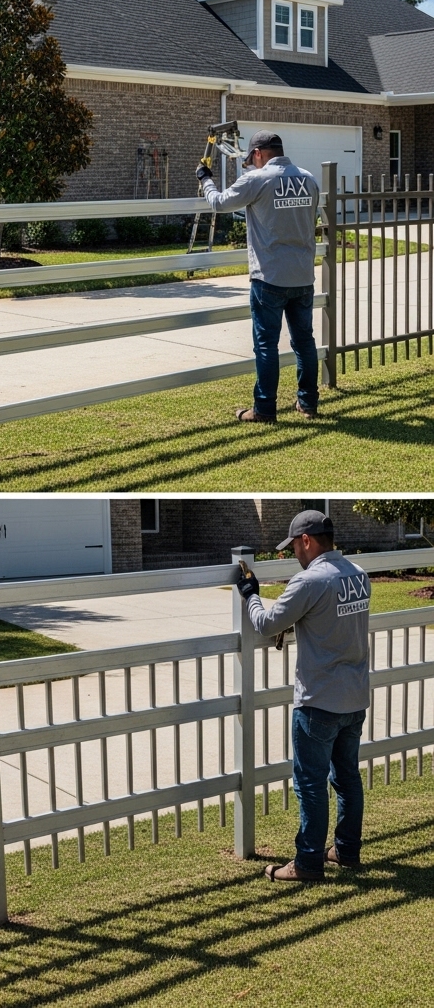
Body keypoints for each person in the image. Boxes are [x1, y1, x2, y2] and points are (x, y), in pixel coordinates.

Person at [235, 510, 371, 881]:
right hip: (355, 696)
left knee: (310, 783)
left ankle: (308, 863)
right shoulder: (358, 576)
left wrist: (251, 595)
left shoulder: (310, 581)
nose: (293, 552)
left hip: (318, 701)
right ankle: (346, 851)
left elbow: (266, 622)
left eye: (294, 545)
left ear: (307, 540)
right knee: (347, 779)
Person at [197, 130, 321, 423]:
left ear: (257, 154)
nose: (251, 164)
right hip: (303, 276)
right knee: (304, 342)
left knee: (266, 344)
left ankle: (264, 409)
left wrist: (205, 178)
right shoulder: (308, 178)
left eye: (251, 159)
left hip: (269, 277)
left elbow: (218, 202)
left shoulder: (258, 179)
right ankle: (308, 403)